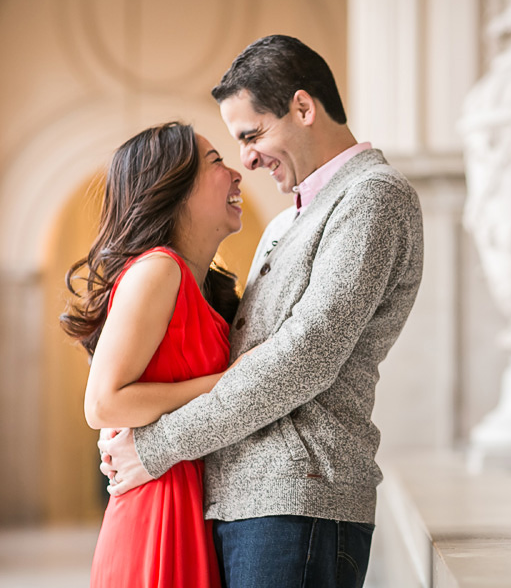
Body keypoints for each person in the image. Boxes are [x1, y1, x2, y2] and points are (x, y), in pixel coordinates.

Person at [100, 34, 425, 588]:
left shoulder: (372, 196)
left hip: (300, 499)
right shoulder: (283, 224)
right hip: (240, 502)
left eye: (252, 135)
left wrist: (156, 446)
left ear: (303, 107)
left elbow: (304, 359)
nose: (246, 159)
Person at [61, 121, 245, 587]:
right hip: (157, 510)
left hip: (187, 499)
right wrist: (227, 382)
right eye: (217, 162)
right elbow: (103, 403)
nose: (238, 173)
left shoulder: (200, 284)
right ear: (173, 188)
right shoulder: (159, 269)